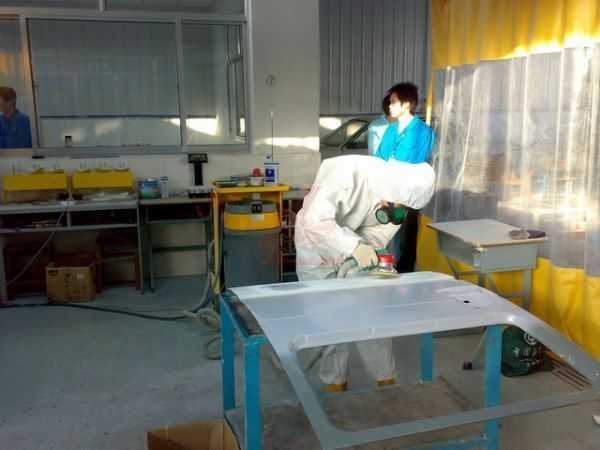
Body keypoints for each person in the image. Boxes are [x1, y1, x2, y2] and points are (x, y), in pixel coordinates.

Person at [294, 155, 435, 391]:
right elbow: (313, 223)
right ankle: (335, 385)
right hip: (317, 249)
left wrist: (365, 252)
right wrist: (353, 246)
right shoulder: (347, 174)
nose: (398, 213)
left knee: (372, 313)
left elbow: (379, 233)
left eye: (404, 209)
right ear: (393, 191)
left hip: (354, 249)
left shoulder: (398, 203)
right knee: (328, 321)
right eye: (399, 206)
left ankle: (386, 381)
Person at [375, 82, 436, 273]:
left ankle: (404, 276)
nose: (390, 106)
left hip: (408, 196)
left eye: (393, 102)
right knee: (384, 239)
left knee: (406, 241)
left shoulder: (422, 131)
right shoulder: (391, 129)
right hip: (387, 193)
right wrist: (382, 194)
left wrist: (398, 199)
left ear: (406, 104)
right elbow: (380, 159)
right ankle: (386, 270)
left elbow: (411, 164)